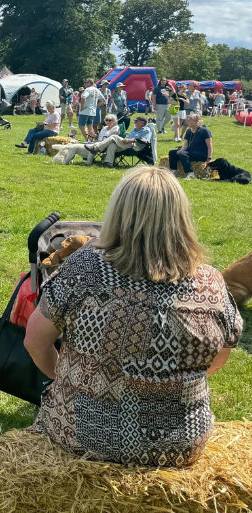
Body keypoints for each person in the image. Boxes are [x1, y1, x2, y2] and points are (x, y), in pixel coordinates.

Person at [25, 167, 241, 467]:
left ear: (118, 213)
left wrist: (62, 380)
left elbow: (34, 341)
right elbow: (218, 358)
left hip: (83, 437)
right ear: (181, 218)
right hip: (181, 445)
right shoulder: (211, 282)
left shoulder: (86, 268)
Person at [169, 114, 212, 179]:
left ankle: (190, 173)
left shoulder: (204, 131)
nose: (187, 122)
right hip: (190, 151)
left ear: (196, 121)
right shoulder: (189, 131)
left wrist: (209, 158)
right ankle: (174, 171)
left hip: (200, 153)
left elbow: (210, 145)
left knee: (183, 154)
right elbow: (186, 144)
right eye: (187, 120)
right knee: (172, 152)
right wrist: (181, 150)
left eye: (190, 121)